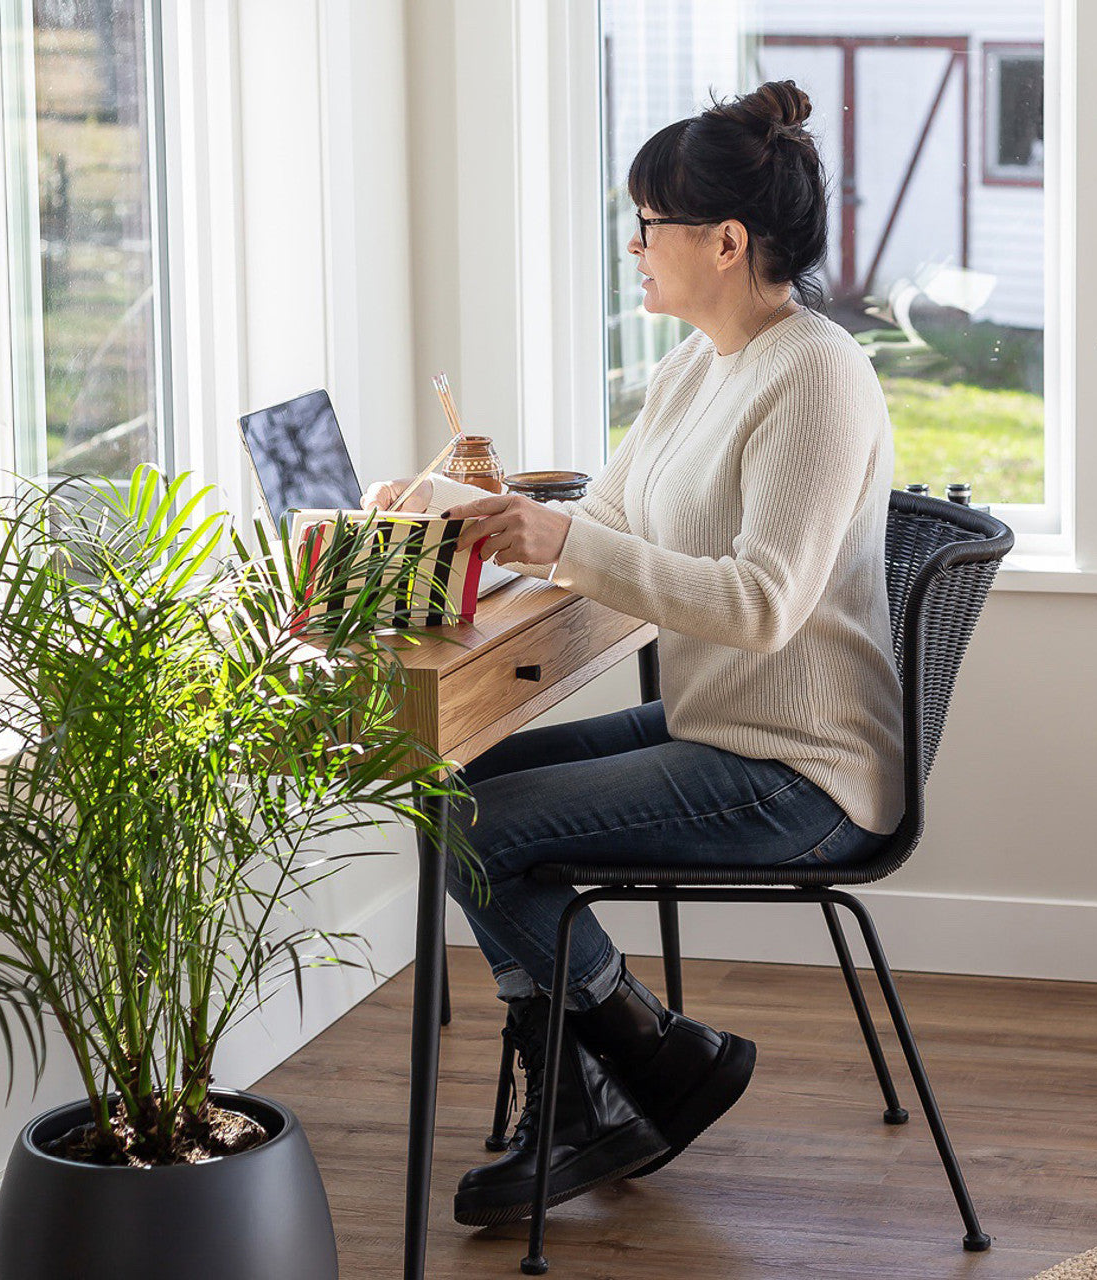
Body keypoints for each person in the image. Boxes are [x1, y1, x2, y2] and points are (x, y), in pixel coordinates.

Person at [362, 79, 903, 1228]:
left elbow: (759, 604)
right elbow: (606, 523)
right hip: (724, 728)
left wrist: (567, 543)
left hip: (798, 771)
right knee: (451, 794)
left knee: (471, 825)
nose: (633, 244)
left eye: (648, 222)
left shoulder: (816, 373)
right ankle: (625, 1065)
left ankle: (630, 1063)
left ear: (724, 240)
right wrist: (474, 508)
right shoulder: (692, 366)